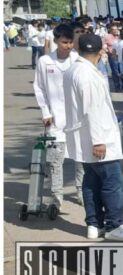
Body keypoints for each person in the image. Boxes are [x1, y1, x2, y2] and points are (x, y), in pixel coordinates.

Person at [63, 34, 123, 241]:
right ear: (101, 51)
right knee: (110, 182)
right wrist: (98, 141)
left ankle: (94, 225)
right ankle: (114, 225)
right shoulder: (86, 74)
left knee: (91, 182)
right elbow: (92, 109)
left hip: (85, 137)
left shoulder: (73, 70)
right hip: (98, 139)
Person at [33, 24, 82, 208]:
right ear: (55, 41)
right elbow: (39, 88)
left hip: (77, 119)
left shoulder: (77, 60)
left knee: (80, 159)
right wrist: (45, 112)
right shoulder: (45, 61)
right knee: (55, 161)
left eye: (70, 42)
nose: (68, 46)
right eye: (64, 42)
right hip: (55, 119)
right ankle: (57, 197)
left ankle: (82, 191)